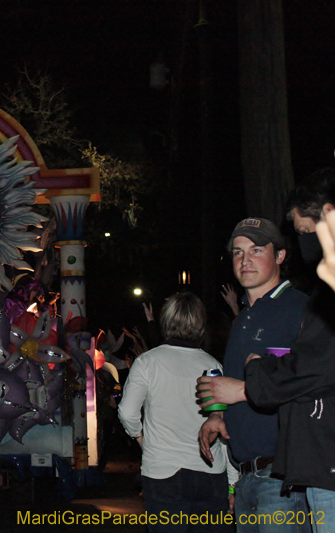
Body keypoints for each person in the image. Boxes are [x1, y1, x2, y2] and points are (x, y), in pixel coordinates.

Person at [196, 217, 309, 532]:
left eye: (256, 250)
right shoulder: (242, 318)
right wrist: (220, 417)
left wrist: (242, 391)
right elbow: (235, 385)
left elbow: (315, 381)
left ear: (280, 256)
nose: (244, 260)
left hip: (284, 478)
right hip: (246, 476)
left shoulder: (302, 310)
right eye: (237, 252)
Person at [242, 169, 335, 533]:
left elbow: (314, 368)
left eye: (304, 233)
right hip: (316, 464)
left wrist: (258, 374)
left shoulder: (313, 301)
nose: (304, 245)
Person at [118, 293, 236, 532]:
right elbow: (225, 427)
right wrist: (233, 482)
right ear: (200, 325)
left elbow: (128, 412)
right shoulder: (213, 365)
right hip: (210, 472)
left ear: (166, 323)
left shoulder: (147, 362)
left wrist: (141, 440)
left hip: (164, 473)